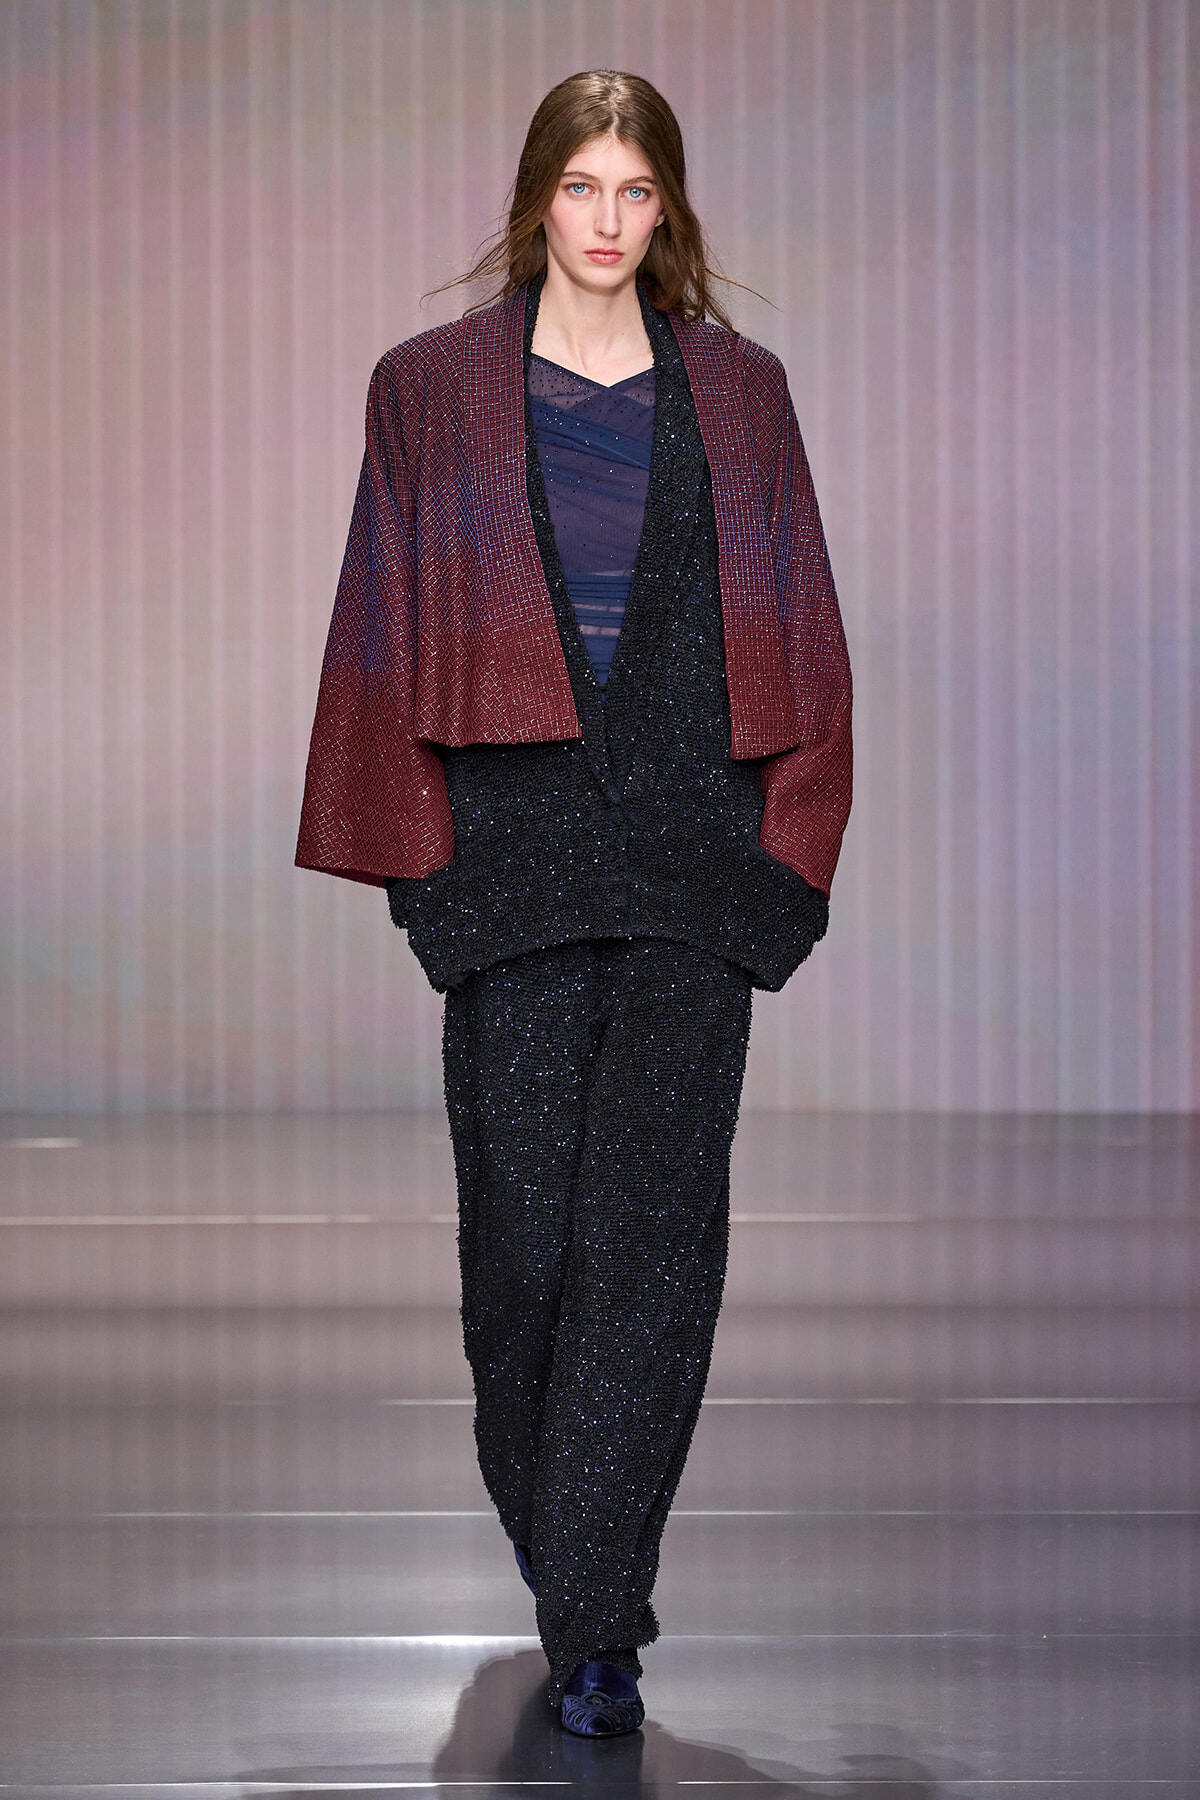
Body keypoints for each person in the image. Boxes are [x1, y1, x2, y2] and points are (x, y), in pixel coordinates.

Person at [296, 69, 852, 1738]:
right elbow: (379, 613)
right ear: (537, 196)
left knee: (653, 1249)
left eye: (637, 190)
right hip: (516, 861)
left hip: (691, 858)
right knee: (525, 1254)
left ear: (668, 208)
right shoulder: (432, 390)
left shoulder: (741, 393)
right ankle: (575, 1559)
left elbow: (804, 619)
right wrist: (423, 869)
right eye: (582, 186)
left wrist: (787, 857)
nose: (608, 221)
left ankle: (601, 1618)